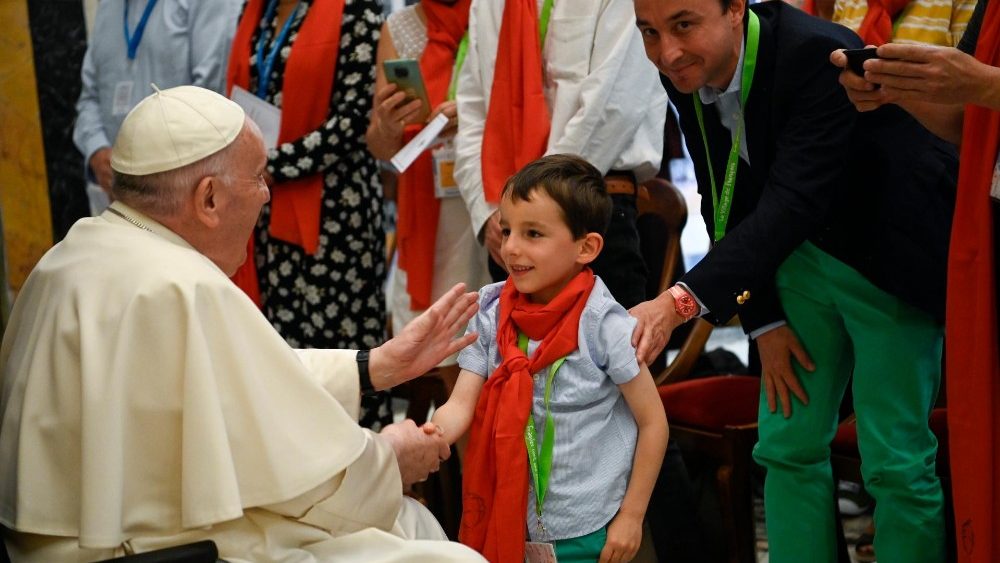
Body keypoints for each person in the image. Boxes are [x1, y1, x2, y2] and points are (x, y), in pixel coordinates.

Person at [0, 85, 485, 563]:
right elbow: (316, 487)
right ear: (208, 199)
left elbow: (234, 383)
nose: (267, 195)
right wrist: (387, 459)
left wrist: (372, 365)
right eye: (258, 177)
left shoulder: (68, 256)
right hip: (167, 550)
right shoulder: (185, 285)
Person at [631, 0, 958, 560]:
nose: (667, 52)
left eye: (684, 25)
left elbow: (792, 201)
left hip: (890, 259)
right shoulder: (686, 67)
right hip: (797, 261)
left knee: (895, 462)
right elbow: (720, 191)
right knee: (786, 447)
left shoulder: (814, 52)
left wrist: (676, 303)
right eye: (649, 33)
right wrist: (762, 318)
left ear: (735, 9)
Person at [429, 155, 668, 563]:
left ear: (586, 247)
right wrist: (424, 438)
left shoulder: (604, 325)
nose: (511, 248)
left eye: (533, 233)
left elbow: (653, 422)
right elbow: (460, 405)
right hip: (512, 521)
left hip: (591, 525)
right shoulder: (490, 312)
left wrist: (631, 516)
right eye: (507, 231)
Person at [832, 2, 1000, 560]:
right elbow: (973, 124)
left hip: (916, 227)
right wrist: (898, 92)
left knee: (902, 456)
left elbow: (984, 93)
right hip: (982, 218)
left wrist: (985, 83)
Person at [226, 0, 392, 430]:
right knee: (281, 348)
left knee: (343, 349)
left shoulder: (357, 11)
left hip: (337, 216)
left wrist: (267, 164)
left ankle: (365, 469)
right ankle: (296, 464)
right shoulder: (254, 11)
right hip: (265, 208)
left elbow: (354, 118)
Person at [453, 0, 666, 311]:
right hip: (507, 223)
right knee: (515, 354)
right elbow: (471, 112)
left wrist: (533, 200)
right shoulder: (487, 4)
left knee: (609, 353)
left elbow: (613, 107)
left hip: (591, 203)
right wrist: (487, 214)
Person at [366, 0, 489, 395]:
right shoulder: (399, 28)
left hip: (491, 193)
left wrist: (472, 114)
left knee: (495, 336)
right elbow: (381, 147)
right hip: (430, 205)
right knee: (451, 346)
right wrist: (387, 124)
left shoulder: (495, 11)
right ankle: (462, 446)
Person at [73, 0, 242, 215]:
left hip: (180, 191)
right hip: (115, 198)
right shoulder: (108, 5)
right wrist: (97, 151)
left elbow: (210, 98)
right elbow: (88, 98)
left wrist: (149, 167)